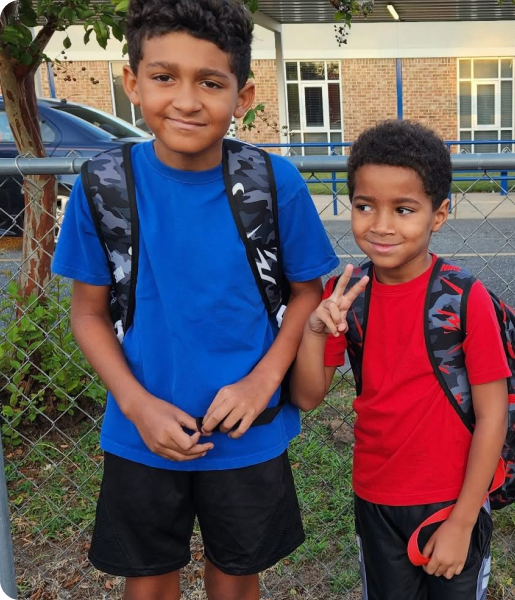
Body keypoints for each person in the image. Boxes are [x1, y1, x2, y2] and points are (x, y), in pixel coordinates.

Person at [51, 1, 339, 598]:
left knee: (237, 574)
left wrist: (263, 382)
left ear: (244, 93)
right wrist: (137, 405)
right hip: (142, 433)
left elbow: (307, 294)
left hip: (247, 432)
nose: (186, 100)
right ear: (132, 83)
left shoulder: (272, 182)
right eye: (164, 77)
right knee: (148, 577)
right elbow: (88, 313)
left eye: (210, 82)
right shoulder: (104, 184)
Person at [290, 119, 510, 600]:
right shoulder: (345, 295)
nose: (381, 225)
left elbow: (494, 415)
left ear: (439, 214)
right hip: (376, 496)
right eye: (365, 206)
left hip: (451, 500)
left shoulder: (464, 298)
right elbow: (308, 396)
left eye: (404, 209)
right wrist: (314, 329)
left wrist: (463, 520)